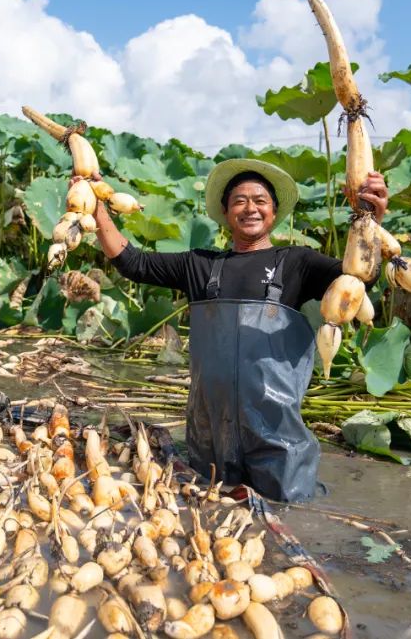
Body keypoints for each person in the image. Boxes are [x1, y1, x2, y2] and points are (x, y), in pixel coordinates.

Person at [89, 159, 388, 501]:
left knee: (290, 508)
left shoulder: (297, 264)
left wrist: (370, 221)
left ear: (274, 212)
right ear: (226, 211)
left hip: (277, 438)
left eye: (260, 200)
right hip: (208, 435)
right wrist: (95, 203)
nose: (251, 208)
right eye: (240, 201)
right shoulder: (199, 265)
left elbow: (357, 277)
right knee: (206, 505)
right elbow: (133, 262)